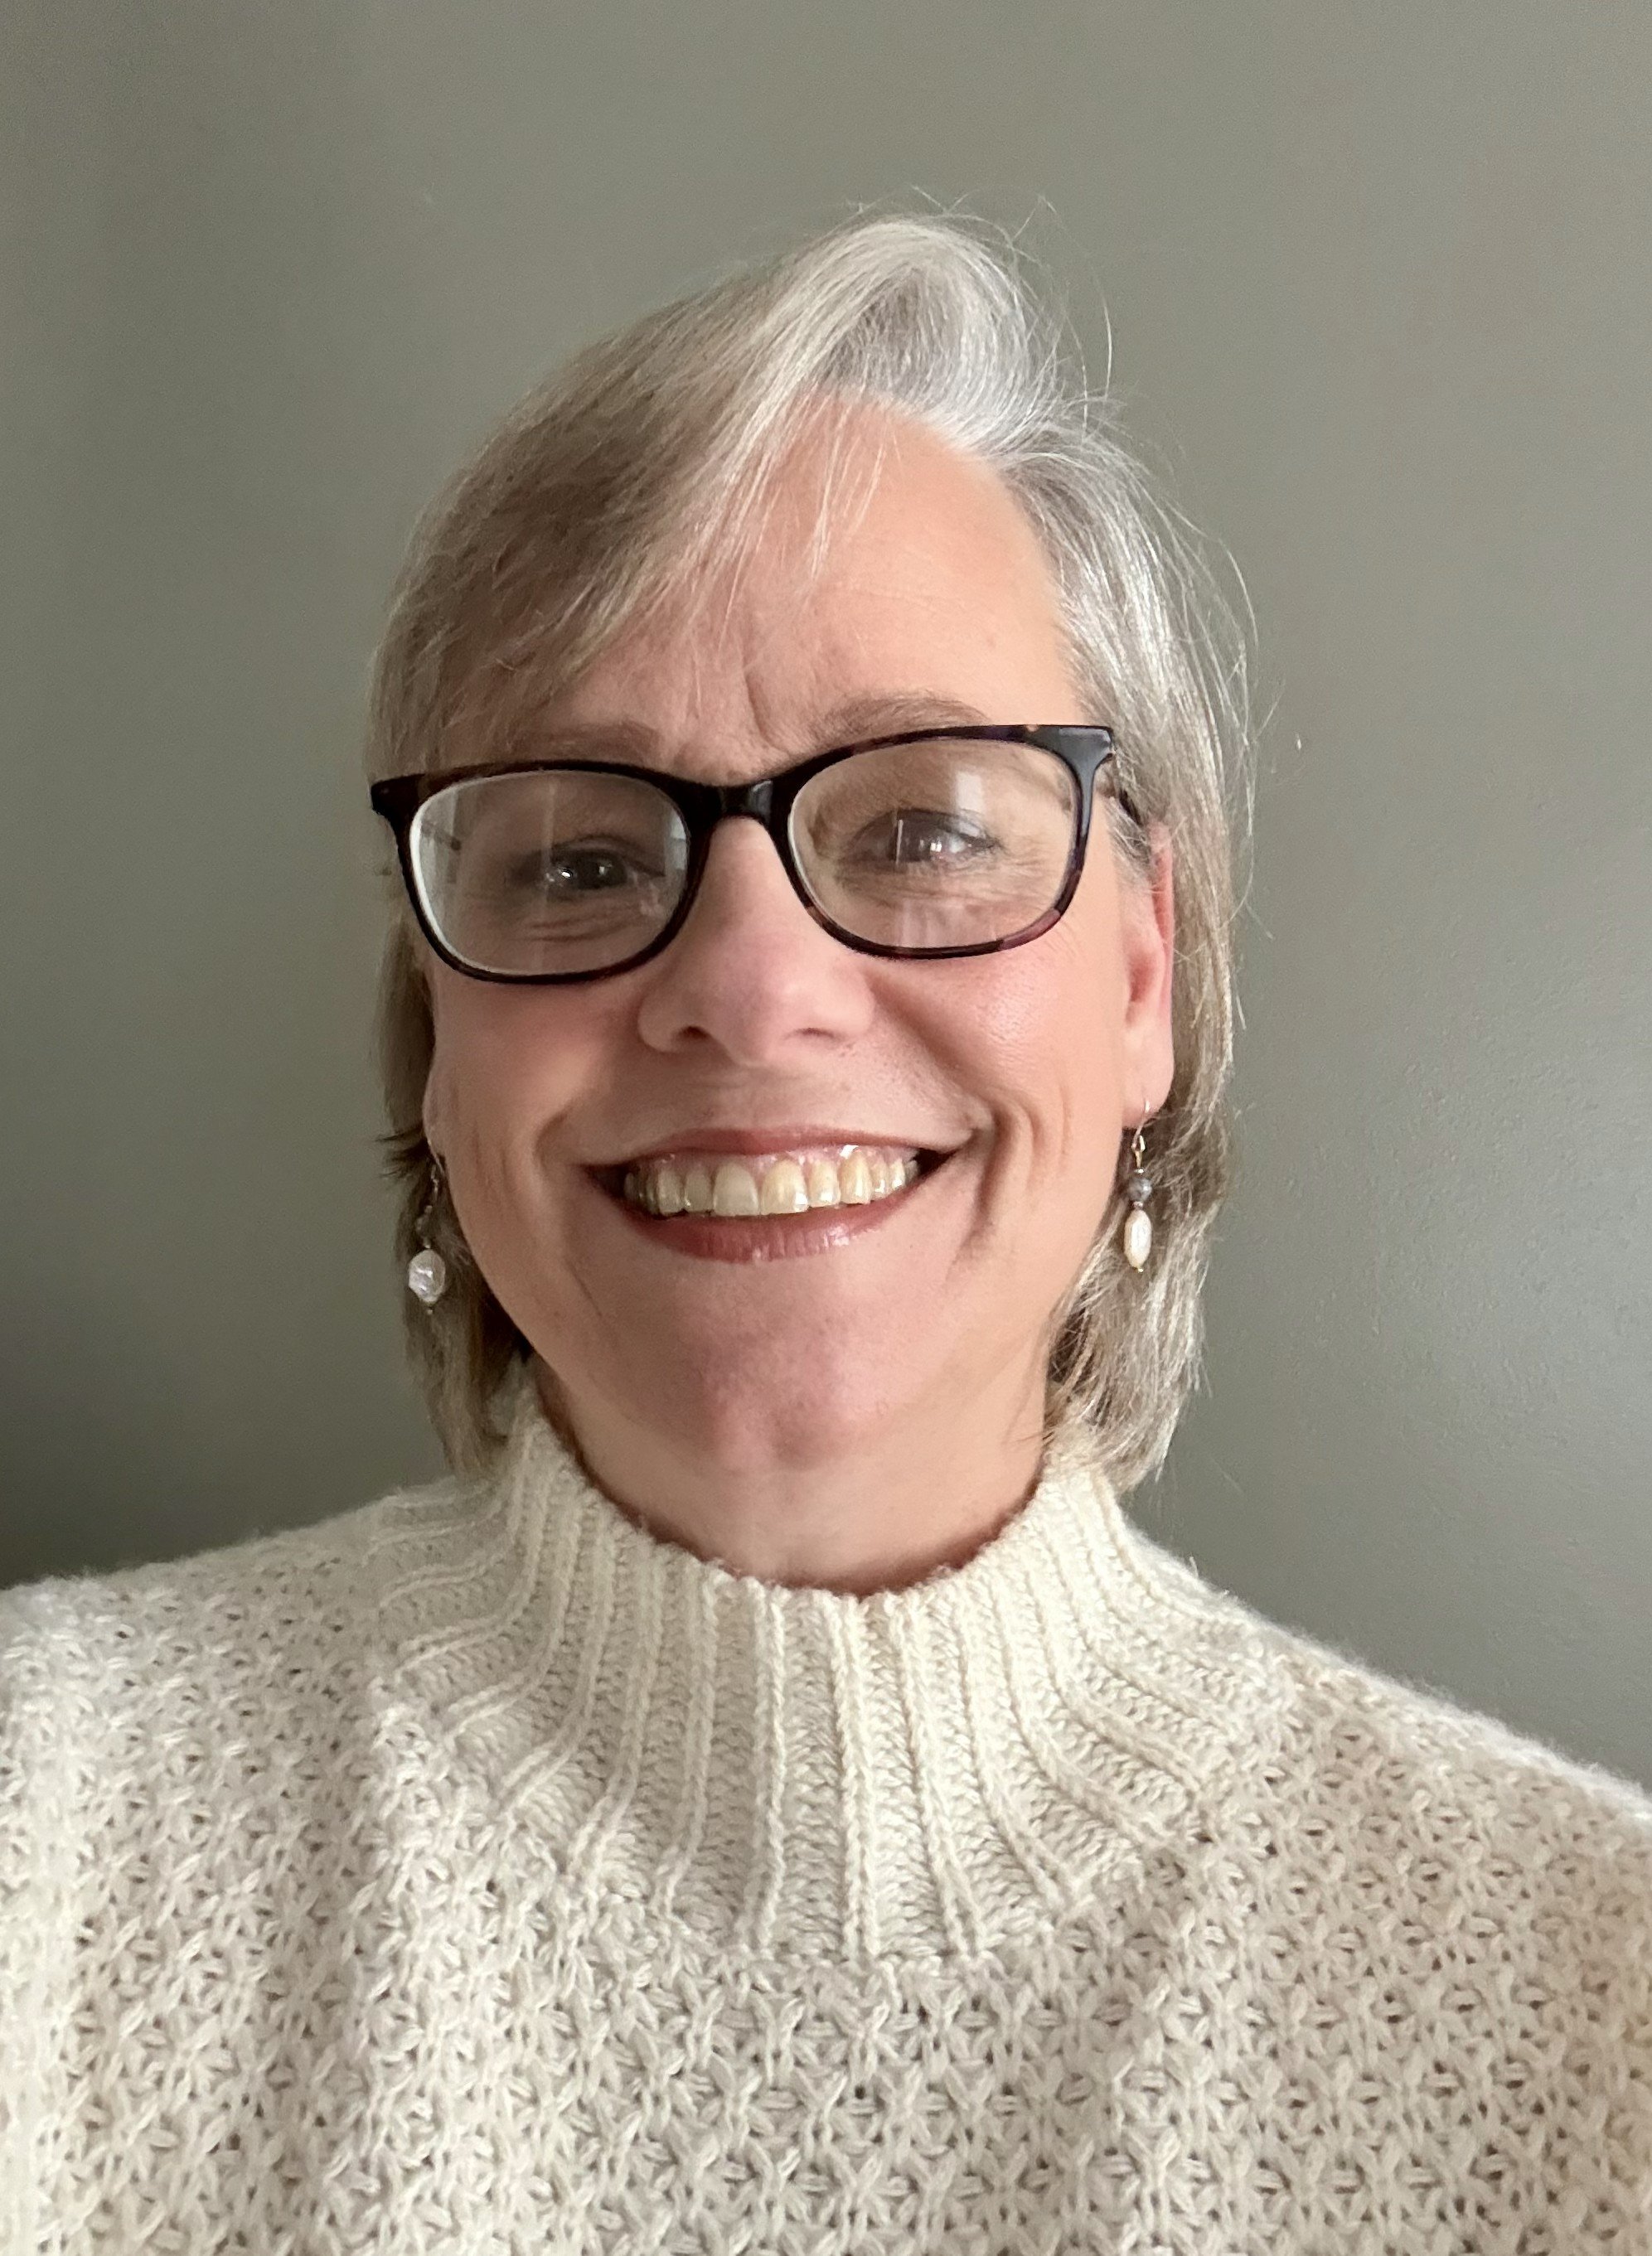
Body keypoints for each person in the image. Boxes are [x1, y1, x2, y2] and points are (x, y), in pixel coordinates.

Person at [2, 212, 1647, 2253]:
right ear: (440, 1047)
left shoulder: (1596, 2020)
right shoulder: (39, 1841)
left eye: (927, 826)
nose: (753, 985)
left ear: (1142, 975)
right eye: (585, 851)